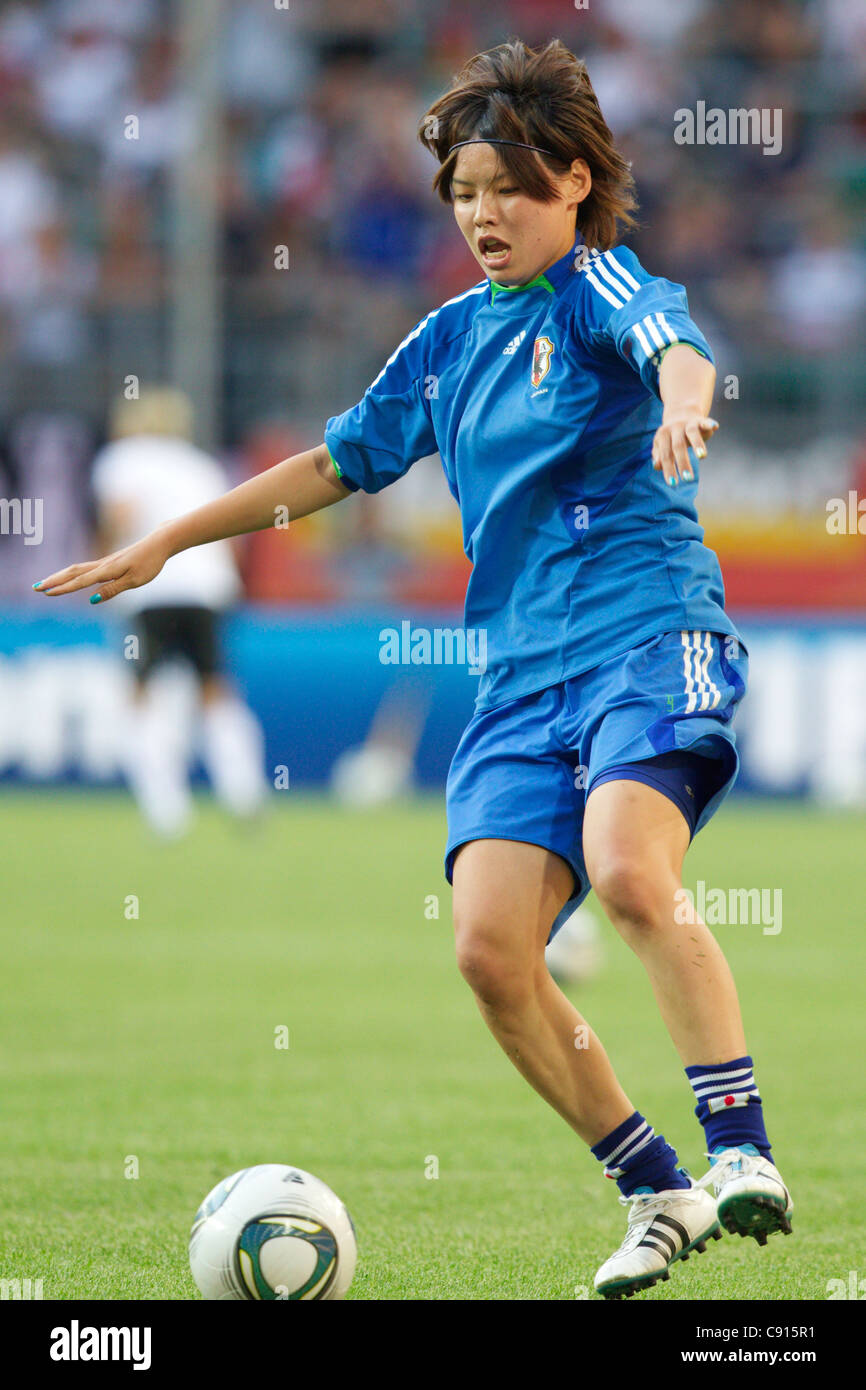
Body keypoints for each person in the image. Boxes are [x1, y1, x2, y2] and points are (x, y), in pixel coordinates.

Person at [35, 39, 792, 1298]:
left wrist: (680, 400)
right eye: (462, 191)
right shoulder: (444, 343)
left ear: (570, 183)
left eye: (509, 187)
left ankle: (739, 1151)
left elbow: (679, 348)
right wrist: (169, 537)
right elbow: (333, 464)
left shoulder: (601, 287)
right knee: (491, 953)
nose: (483, 213)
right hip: (519, 682)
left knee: (622, 866)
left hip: (648, 637)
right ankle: (653, 1185)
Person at [89, 386, 267, 837]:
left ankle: (166, 811)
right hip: (207, 587)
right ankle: (244, 793)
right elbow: (232, 532)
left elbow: (120, 517)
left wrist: (97, 570)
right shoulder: (200, 463)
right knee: (214, 690)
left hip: (148, 589)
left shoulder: (123, 458)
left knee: (140, 694)